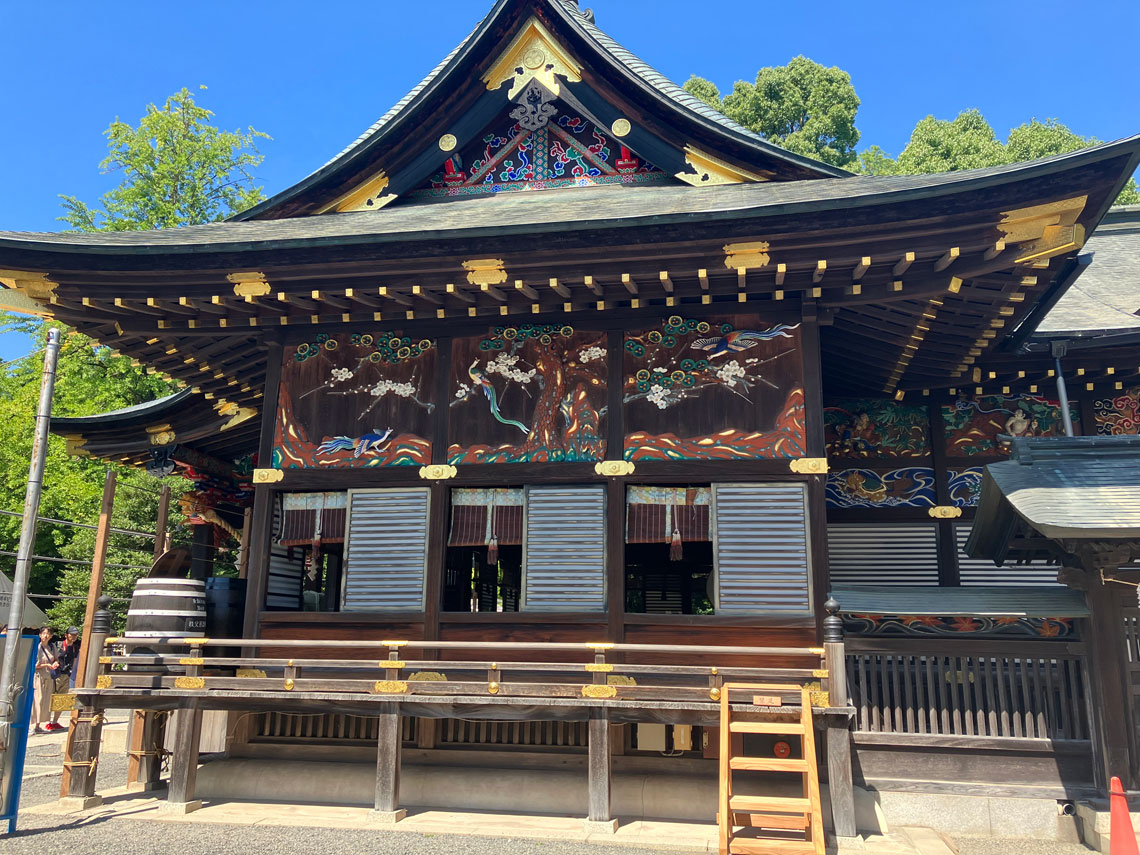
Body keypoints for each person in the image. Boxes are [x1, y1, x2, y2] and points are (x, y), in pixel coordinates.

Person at [31, 626, 64, 734]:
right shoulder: (36, 646)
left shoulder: (52, 646)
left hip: (48, 677)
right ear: (40, 635)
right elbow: (33, 664)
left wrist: (55, 663)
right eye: (44, 633)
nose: (46, 636)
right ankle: (34, 725)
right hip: (38, 676)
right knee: (38, 700)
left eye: (48, 634)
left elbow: (56, 659)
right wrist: (46, 665)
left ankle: (39, 724)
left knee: (45, 700)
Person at [50, 626, 81, 729]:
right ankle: (45, 720)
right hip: (56, 674)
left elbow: (75, 661)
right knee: (51, 696)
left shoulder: (75, 648)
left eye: (75, 635)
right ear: (66, 635)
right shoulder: (58, 645)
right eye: (72, 634)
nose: (74, 636)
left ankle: (55, 721)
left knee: (62, 697)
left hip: (67, 675)